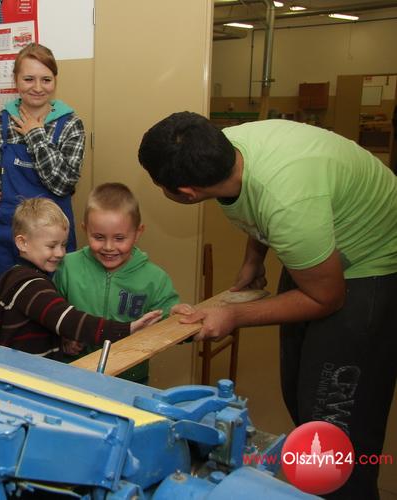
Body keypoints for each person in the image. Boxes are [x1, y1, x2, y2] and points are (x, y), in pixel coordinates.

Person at [138, 111, 397, 499]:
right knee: (301, 394)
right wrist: (253, 259)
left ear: (186, 193)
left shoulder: (289, 205)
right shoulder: (226, 151)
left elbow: (327, 297)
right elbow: (259, 203)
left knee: (334, 424)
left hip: (370, 264)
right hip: (319, 243)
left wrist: (233, 315)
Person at [0, 42, 85, 290]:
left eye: (46, 80)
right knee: (7, 300)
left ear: (55, 81)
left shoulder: (70, 125)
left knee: (54, 302)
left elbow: (63, 183)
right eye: (28, 79)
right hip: (6, 234)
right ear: (15, 80)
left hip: (54, 243)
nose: (37, 87)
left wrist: (36, 135)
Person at [0, 197, 162, 357]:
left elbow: (46, 324)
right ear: (22, 243)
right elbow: (69, 320)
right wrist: (127, 329)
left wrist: (62, 342)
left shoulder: (19, 276)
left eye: (63, 245)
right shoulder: (30, 286)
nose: (60, 253)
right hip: (22, 376)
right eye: (51, 246)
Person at [54, 183, 180, 383]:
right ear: (85, 229)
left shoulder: (155, 279)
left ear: (138, 233)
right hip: (74, 374)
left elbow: (170, 324)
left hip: (131, 380)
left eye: (119, 238)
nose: (109, 247)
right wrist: (63, 338)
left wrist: (177, 317)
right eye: (98, 237)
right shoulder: (67, 267)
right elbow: (50, 316)